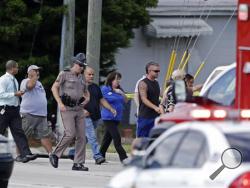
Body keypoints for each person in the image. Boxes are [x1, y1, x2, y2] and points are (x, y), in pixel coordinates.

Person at [50, 53, 90, 171]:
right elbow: (54, 87)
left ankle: (78, 163)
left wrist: (87, 99)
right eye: (80, 65)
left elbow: (86, 92)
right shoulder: (64, 74)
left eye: (83, 66)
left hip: (79, 109)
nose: (82, 68)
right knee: (70, 133)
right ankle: (55, 154)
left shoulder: (82, 77)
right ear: (75, 63)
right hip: (67, 108)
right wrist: (59, 103)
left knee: (82, 136)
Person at [69, 66, 117, 164]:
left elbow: (101, 100)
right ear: (83, 74)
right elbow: (72, 101)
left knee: (86, 137)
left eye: (92, 74)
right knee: (92, 136)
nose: (91, 76)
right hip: (84, 116)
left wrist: (110, 108)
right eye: (89, 74)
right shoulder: (78, 86)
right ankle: (97, 156)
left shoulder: (95, 87)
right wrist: (81, 110)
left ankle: (73, 152)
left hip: (95, 116)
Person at [0, 60, 37, 163]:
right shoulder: (3, 80)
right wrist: (14, 94)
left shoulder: (14, 80)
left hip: (15, 109)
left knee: (18, 131)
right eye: (17, 67)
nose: (18, 69)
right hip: (4, 109)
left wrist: (18, 96)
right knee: (0, 131)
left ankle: (26, 154)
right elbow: (1, 94)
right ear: (12, 68)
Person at [18, 65, 53, 158]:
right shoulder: (25, 81)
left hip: (41, 115)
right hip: (28, 113)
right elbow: (30, 86)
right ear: (30, 72)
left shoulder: (39, 83)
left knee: (45, 135)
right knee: (23, 136)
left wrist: (35, 77)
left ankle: (52, 155)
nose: (38, 72)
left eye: (38, 71)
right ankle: (20, 155)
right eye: (35, 70)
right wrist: (33, 76)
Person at [100, 71, 128, 163]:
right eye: (116, 79)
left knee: (107, 138)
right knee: (116, 137)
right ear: (111, 80)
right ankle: (124, 158)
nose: (117, 82)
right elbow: (102, 101)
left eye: (119, 80)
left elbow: (126, 101)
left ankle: (100, 156)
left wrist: (121, 92)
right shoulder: (105, 89)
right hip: (108, 118)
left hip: (117, 118)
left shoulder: (119, 90)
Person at [137, 61, 162, 138]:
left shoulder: (156, 83)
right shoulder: (143, 83)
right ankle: (136, 150)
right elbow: (144, 99)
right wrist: (155, 107)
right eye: (156, 71)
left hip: (155, 116)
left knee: (154, 139)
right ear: (149, 71)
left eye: (159, 71)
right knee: (142, 139)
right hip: (145, 116)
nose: (158, 73)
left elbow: (162, 95)